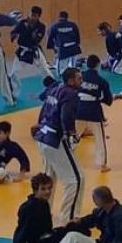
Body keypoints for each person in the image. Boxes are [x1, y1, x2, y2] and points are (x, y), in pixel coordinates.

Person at [33, 67, 84, 223]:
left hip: (42, 137)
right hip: (55, 139)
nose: (81, 81)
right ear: (71, 81)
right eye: (79, 78)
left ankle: (41, 213)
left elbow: (44, 108)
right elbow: (66, 115)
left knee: (48, 179)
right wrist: (71, 133)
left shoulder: (55, 88)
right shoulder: (70, 94)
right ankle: (68, 218)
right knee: (76, 179)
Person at [0, 174, 67, 243]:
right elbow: (22, 230)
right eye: (43, 189)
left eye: (49, 188)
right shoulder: (29, 208)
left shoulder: (44, 203)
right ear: (35, 190)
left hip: (46, 239)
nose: (47, 192)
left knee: (70, 228)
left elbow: (48, 228)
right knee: (70, 234)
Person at [75, 54, 113, 171]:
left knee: (74, 136)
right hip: (93, 111)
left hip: (78, 109)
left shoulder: (79, 77)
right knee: (99, 138)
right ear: (98, 65)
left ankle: (66, 156)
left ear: (87, 65)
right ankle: (102, 165)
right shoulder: (102, 81)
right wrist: (99, 98)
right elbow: (108, 100)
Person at [7, 6, 51, 100]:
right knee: (14, 73)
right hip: (22, 51)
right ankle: (14, 94)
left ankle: (53, 89)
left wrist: (28, 28)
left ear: (38, 16)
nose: (32, 17)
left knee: (45, 70)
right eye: (31, 14)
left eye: (34, 15)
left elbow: (36, 39)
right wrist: (15, 35)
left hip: (34, 51)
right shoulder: (22, 23)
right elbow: (13, 34)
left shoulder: (41, 27)